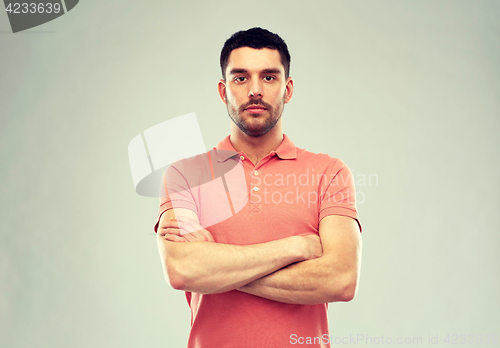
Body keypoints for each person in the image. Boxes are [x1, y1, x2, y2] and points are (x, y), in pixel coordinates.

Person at [154, 27, 362, 348]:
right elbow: (183, 270)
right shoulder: (185, 174)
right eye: (240, 78)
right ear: (223, 91)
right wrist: (298, 248)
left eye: (268, 77)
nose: (255, 90)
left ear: (287, 88)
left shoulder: (329, 173)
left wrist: (218, 269)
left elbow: (341, 279)